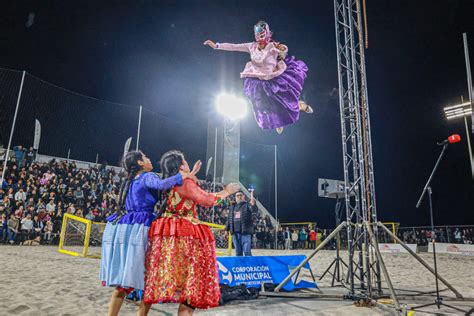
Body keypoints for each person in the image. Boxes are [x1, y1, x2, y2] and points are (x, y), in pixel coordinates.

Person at [99, 150, 198, 316]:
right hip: (143, 227)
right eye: (145, 158)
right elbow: (161, 185)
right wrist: (185, 176)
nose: (149, 159)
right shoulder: (147, 176)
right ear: (139, 163)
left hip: (126, 227)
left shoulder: (130, 180)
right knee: (149, 278)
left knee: (125, 281)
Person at [143, 150, 240, 315]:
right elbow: (207, 200)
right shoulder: (185, 183)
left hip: (170, 238)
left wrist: (192, 173)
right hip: (186, 237)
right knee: (190, 290)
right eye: (185, 161)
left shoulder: (169, 183)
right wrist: (227, 191)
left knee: (179, 286)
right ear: (181, 166)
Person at [204, 21, 313, 134]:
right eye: (257, 34)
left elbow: (283, 50)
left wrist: (282, 51)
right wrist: (216, 45)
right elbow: (234, 46)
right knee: (262, 105)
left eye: (262, 34)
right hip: (258, 80)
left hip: (273, 79)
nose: (259, 38)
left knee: (284, 101)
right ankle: (278, 122)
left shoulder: (272, 46)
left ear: (267, 34)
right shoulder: (251, 46)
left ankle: (301, 106)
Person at [225, 190, 257, 256]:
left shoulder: (247, 205)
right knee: (238, 253)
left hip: (245, 232)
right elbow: (229, 219)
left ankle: (249, 266)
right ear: (235, 197)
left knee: (247, 252)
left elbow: (253, 210)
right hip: (235, 233)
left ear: (243, 197)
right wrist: (226, 230)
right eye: (237, 195)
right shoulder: (232, 207)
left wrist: (253, 204)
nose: (239, 197)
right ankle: (239, 266)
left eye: (240, 195)